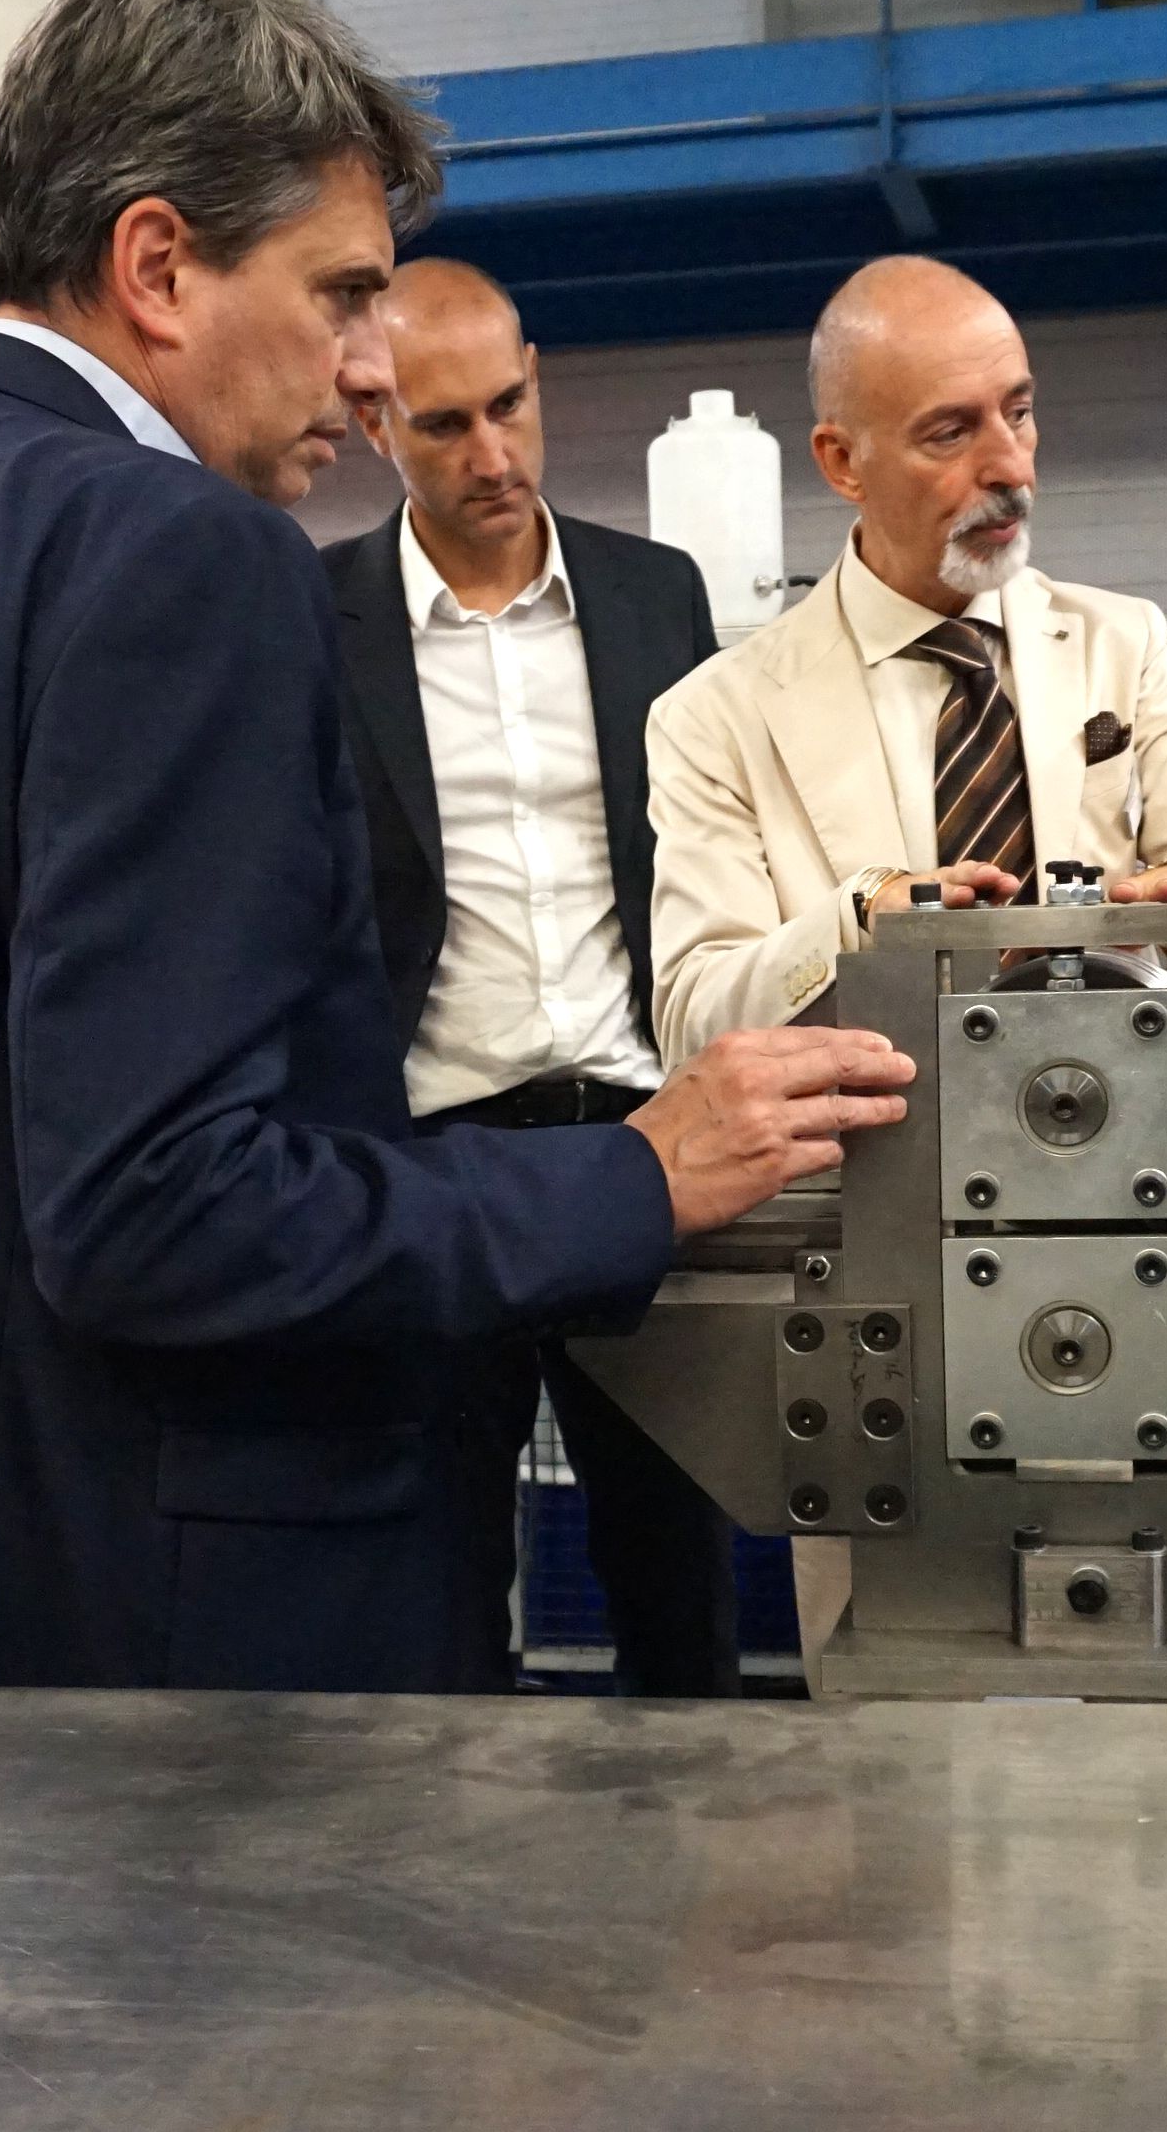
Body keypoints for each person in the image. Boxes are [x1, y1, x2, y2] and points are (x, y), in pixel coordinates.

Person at [0, 0, 910, 1692]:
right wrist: (633, 1174)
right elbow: (161, 1208)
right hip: (159, 1652)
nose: (372, 370)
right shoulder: (177, 555)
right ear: (159, 264)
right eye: (343, 296)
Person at [643, 254, 1167, 1647]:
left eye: (1019, 413)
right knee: (896, 1705)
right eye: (950, 432)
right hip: (884, 1274)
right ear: (839, 457)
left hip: (1149, 1241)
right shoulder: (717, 717)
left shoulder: (1120, 647)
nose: (1008, 467)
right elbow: (694, 1015)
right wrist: (866, 923)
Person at [323, 259, 744, 1698]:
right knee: (431, 1576)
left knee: (673, 1572)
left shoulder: (652, 598)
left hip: (639, 1140)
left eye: (509, 406)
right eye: (443, 426)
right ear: (373, 420)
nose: (491, 455)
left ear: (538, 376)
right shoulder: (314, 621)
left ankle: (702, 1888)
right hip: (434, 1164)